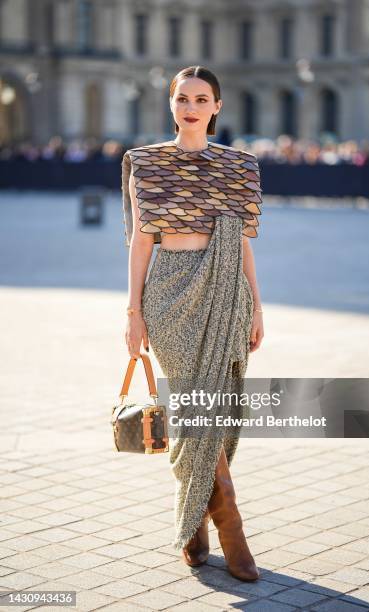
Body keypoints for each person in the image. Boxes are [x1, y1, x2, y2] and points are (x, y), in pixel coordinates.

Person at [121, 65, 264, 582]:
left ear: (217, 107)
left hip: (226, 290)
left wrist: (257, 304)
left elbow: (243, 240)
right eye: (183, 98)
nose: (191, 107)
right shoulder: (146, 163)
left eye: (202, 99)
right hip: (167, 292)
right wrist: (133, 312)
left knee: (214, 411)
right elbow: (140, 240)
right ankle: (230, 523)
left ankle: (195, 525)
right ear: (171, 103)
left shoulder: (237, 166)